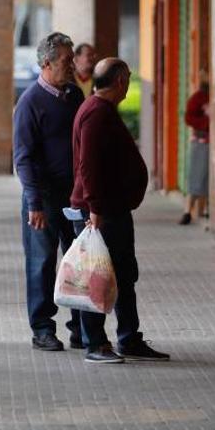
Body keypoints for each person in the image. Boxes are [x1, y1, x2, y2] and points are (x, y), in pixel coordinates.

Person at [70, 57, 171, 364]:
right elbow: (88, 166)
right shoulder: (96, 114)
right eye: (127, 78)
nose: (128, 84)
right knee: (96, 278)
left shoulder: (100, 110)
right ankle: (95, 344)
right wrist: (96, 208)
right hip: (101, 213)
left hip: (112, 210)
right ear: (120, 82)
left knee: (124, 277)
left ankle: (129, 338)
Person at [13, 32, 85, 351]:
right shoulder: (30, 103)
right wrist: (34, 203)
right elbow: (23, 158)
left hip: (74, 196)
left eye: (72, 59)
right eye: (67, 61)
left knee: (77, 261)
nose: (73, 65)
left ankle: (80, 327)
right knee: (42, 263)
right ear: (47, 63)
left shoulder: (74, 96)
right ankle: (42, 329)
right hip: (42, 199)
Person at [179, 71, 210, 226]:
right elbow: (188, 118)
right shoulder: (198, 98)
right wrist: (206, 120)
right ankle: (187, 211)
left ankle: (203, 211)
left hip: (209, 142)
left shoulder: (211, 97)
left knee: (206, 180)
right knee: (196, 178)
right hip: (201, 141)